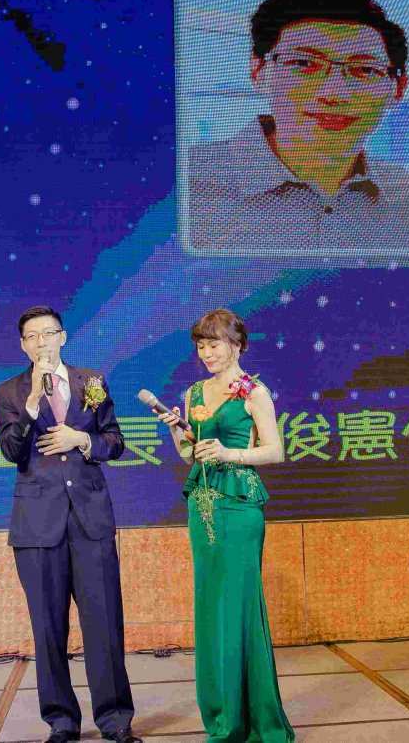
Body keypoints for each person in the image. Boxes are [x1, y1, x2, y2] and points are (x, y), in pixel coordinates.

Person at [185, 0, 409, 250]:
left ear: (398, 89)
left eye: (366, 69)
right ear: (258, 71)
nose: (334, 94)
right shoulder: (183, 183)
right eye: (304, 63)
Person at [0, 306, 140, 743]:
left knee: (104, 622)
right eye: (32, 336)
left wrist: (82, 440)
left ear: (63, 337)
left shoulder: (91, 382)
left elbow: (115, 441)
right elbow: (11, 451)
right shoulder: (9, 391)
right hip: (38, 525)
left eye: (48, 333)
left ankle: (115, 719)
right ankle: (61, 721)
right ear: (23, 345)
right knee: (48, 627)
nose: (41, 342)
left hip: (90, 520)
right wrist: (31, 404)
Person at [156, 309, 294, 743]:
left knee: (239, 608)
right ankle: (222, 718)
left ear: (237, 345)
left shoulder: (254, 392)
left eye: (214, 344)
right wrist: (179, 433)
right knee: (211, 609)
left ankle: (257, 722)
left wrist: (230, 454)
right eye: (201, 346)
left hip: (239, 509)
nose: (207, 353)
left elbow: (275, 451)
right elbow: (191, 455)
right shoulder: (194, 392)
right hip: (202, 507)